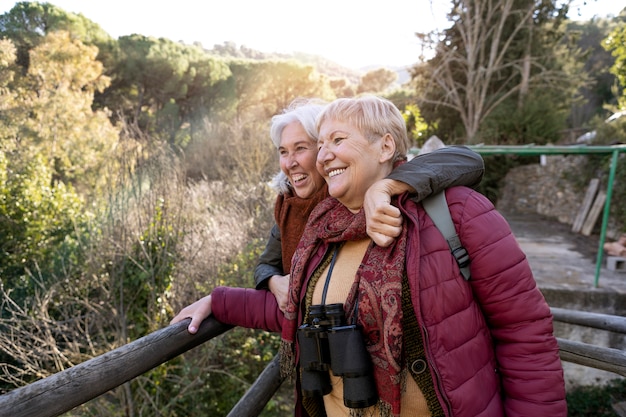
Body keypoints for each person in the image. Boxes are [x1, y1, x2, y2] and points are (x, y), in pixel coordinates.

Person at [171, 95, 567, 416]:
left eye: (337, 141)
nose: (323, 155)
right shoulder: (324, 230)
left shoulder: (457, 212)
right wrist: (218, 301)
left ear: (386, 146)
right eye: (321, 144)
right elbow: (300, 311)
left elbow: (525, 334)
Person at [253, 98, 485, 311]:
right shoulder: (290, 205)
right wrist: (274, 282)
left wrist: (385, 187)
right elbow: (265, 265)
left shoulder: (351, 191)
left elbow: (465, 159)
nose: (290, 162)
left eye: (301, 148)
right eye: (283, 151)